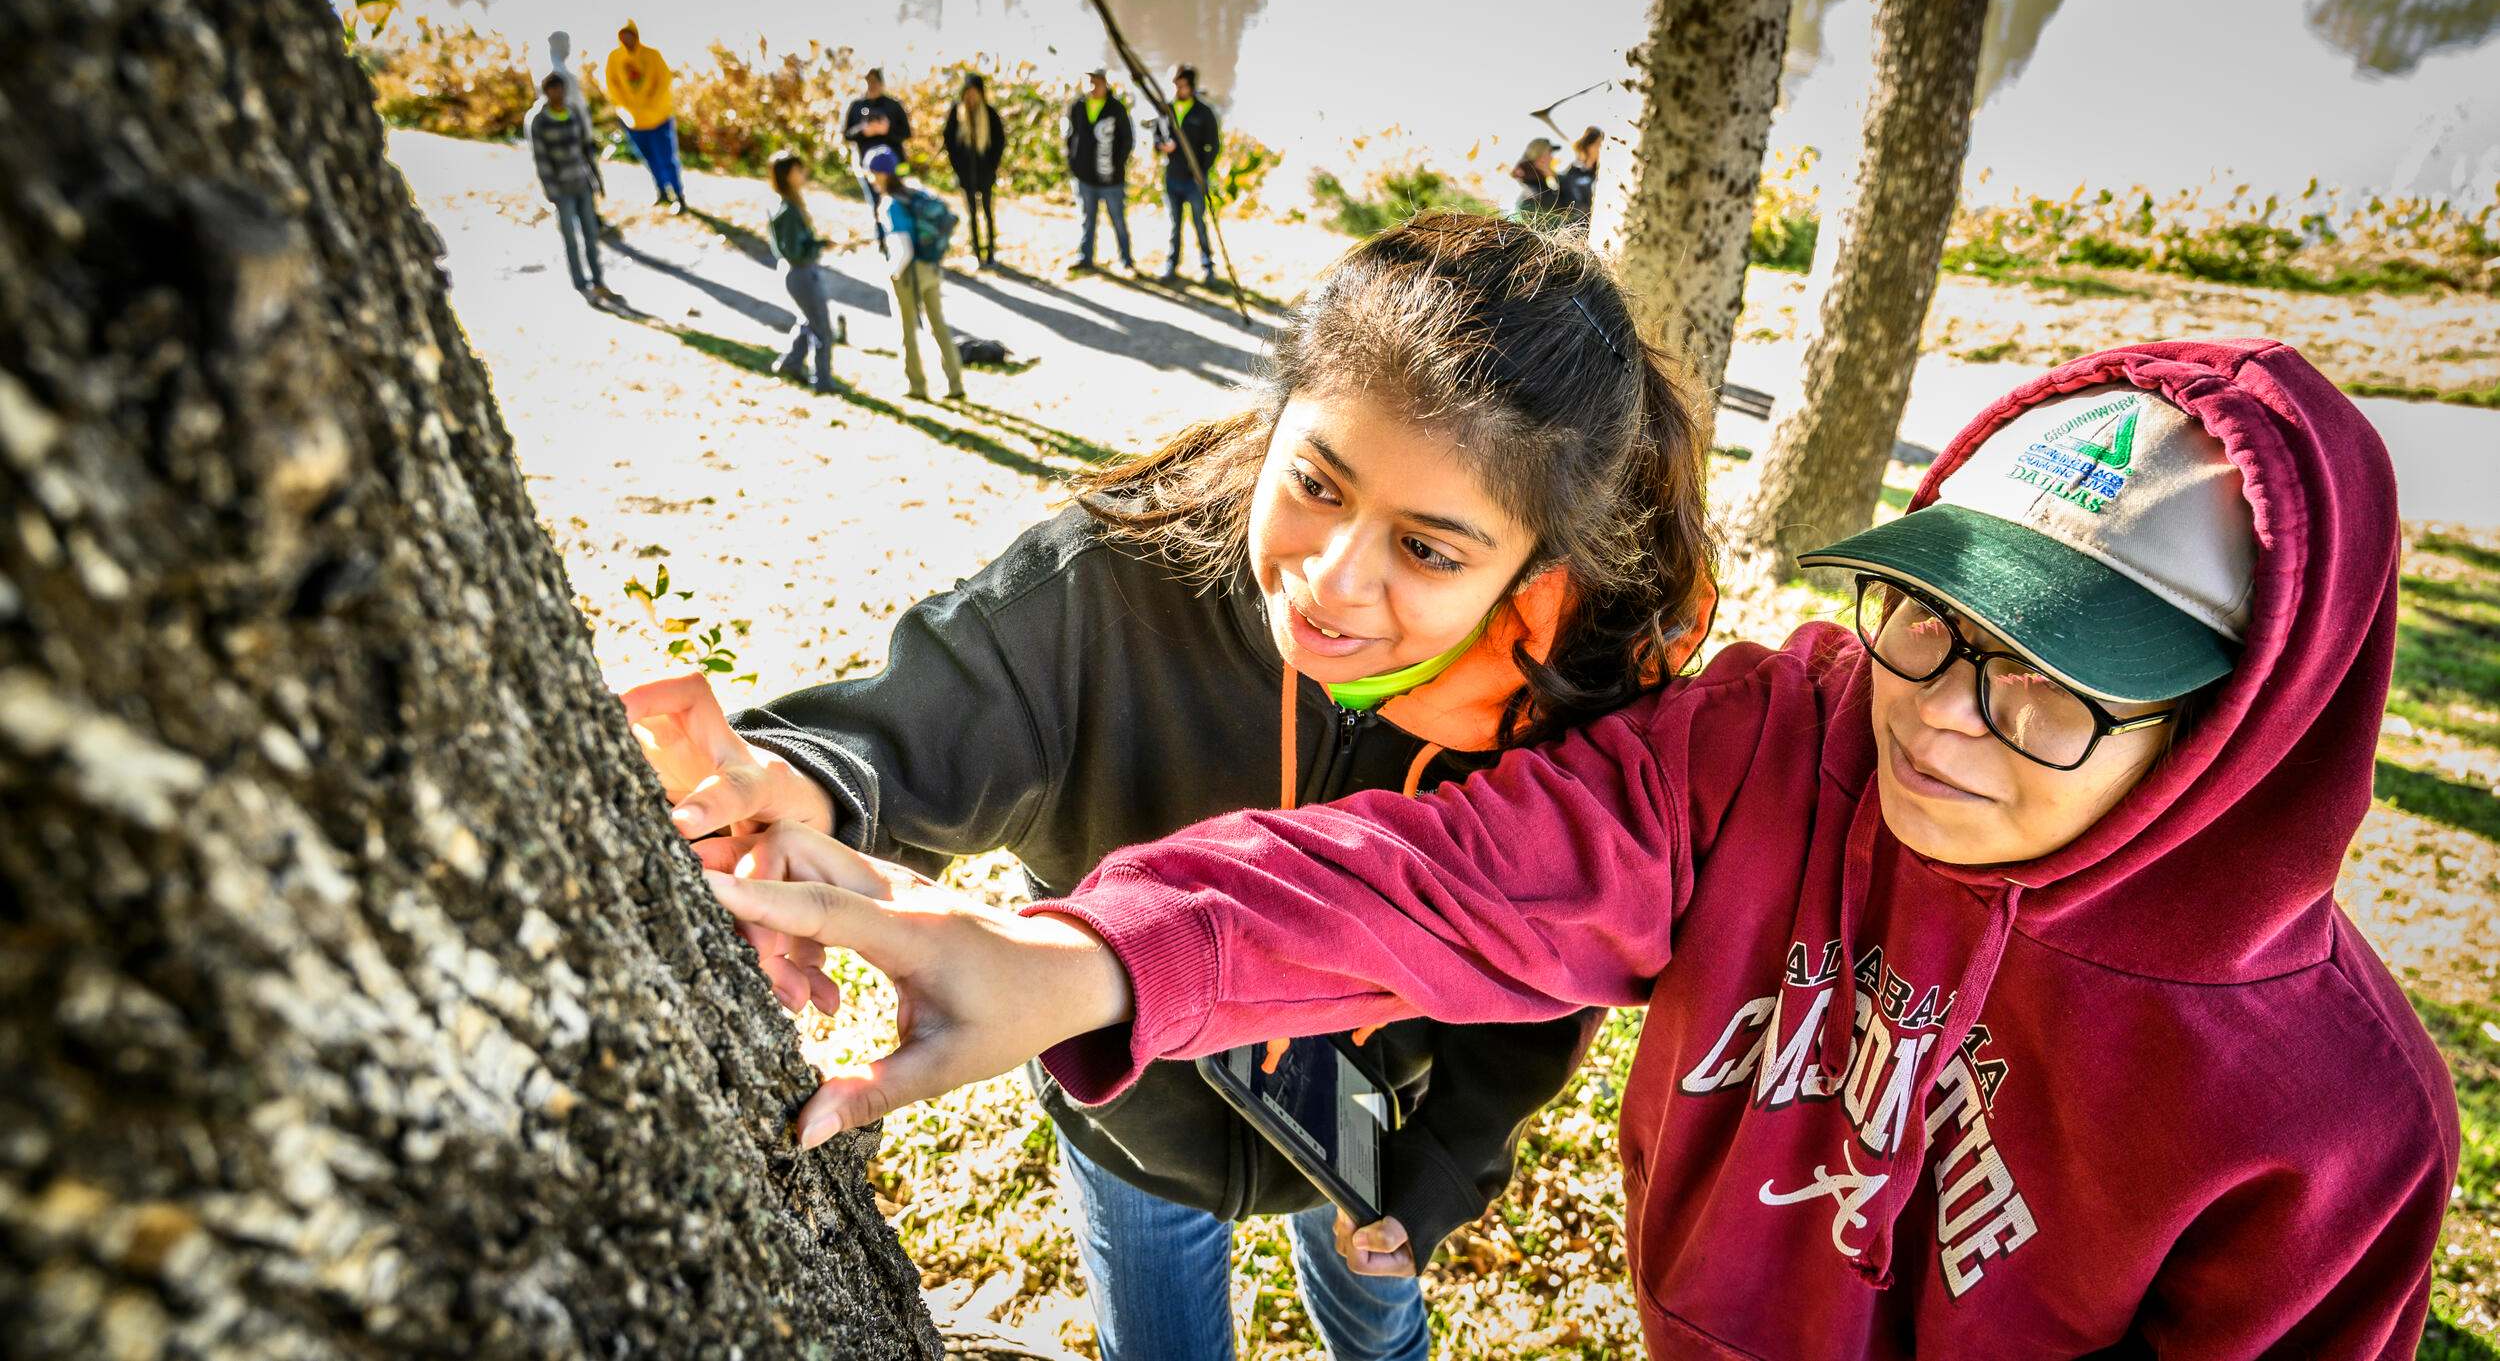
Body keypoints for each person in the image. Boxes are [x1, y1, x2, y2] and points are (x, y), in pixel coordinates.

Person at [708, 339, 2463, 1358]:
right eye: (1928, 621)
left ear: (2238, 732)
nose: (1935, 715)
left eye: (2055, 688)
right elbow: (1451, 877)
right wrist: (1088, 960)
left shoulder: (2329, 1111)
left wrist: (1435, 1167)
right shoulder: (1778, 746)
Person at [624, 214, 1718, 1361]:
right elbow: (949, 700)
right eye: (1317, 484)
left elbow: (1539, 960)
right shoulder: (1116, 580)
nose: (1333, 583)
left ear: (1535, 573)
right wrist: (807, 781)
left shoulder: (1557, 713)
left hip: (1362, 1132)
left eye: (1429, 551)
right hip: (1128, 1118)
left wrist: (1438, 1169)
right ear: (1276, 423)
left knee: (1376, 1319)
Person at [866, 148, 965, 402]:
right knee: (938, 325)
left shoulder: (891, 204)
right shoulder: (915, 192)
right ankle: (955, 383)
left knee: (906, 330)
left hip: (909, 272)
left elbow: (903, 247)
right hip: (931, 267)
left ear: (881, 174)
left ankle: (916, 386)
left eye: (872, 174)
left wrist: (893, 272)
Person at [526, 73, 612, 301]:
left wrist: (596, 181)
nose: (558, 93)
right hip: (561, 189)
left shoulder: (572, 112)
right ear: (547, 92)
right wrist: (551, 192)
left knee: (591, 234)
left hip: (582, 183)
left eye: (560, 89)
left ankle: (598, 280)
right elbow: (541, 159)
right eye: (553, 89)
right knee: (570, 239)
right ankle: (581, 284)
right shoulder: (539, 121)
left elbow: (586, 150)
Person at [768, 151, 837, 393]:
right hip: (801, 273)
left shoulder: (789, 204)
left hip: (801, 271)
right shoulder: (786, 210)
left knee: (809, 321)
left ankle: (790, 363)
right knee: (822, 329)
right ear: (787, 175)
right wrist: (819, 245)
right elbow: (794, 251)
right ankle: (823, 382)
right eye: (799, 170)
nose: (803, 174)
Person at [603, 20, 685, 212]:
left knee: (667, 158)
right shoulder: (615, 58)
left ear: (636, 34)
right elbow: (612, 86)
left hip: (659, 117)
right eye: (622, 35)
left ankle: (679, 195)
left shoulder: (652, 55)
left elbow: (664, 80)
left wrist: (649, 102)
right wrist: (628, 107)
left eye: (629, 34)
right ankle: (662, 191)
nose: (626, 39)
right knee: (649, 158)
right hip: (633, 121)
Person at [1065, 68, 1136, 275]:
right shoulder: (1078, 106)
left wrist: (1117, 163)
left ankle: (1126, 260)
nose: (1093, 87)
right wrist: (1074, 162)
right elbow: (1071, 136)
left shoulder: (1116, 108)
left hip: (1111, 178)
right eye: (1090, 82)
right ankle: (1085, 258)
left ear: (1106, 83)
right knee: (1087, 219)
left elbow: (1127, 140)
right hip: (1085, 176)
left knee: (1118, 220)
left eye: (1097, 82)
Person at [1155, 64, 1221, 283]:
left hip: (1194, 181)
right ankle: (1171, 265)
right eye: (1175, 85)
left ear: (1191, 87)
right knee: (1174, 225)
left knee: (1199, 224)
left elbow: (1214, 145)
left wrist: (1201, 171)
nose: (1178, 90)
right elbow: (1157, 137)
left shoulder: (1204, 112)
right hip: (1172, 177)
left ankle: (1208, 268)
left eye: (1182, 85)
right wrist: (1162, 147)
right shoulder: (1167, 109)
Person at [942, 72, 1007, 271]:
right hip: (965, 174)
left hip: (985, 173)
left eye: (974, 92)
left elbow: (999, 142)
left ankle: (991, 253)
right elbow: (949, 143)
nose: (970, 97)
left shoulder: (989, 113)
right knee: (971, 214)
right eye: (967, 93)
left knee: (988, 212)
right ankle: (977, 253)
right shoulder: (956, 113)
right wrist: (958, 168)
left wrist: (991, 166)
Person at [543, 30, 606, 222]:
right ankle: (588, 217)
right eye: (566, 44)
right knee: (581, 175)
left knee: (584, 174)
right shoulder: (556, 73)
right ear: (557, 45)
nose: (569, 48)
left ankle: (589, 214)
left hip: (576, 131)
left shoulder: (561, 69)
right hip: (570, 134)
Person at [844, 67, 912, 246]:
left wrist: (887, 130)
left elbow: (906, 133)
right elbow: (847, 134)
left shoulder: (893, 105)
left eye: (875, 82)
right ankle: (883, 241)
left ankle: (904, 238)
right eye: (868, 82)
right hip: (867, 167)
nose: (872, 86)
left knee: (898, 200)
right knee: (876, 204)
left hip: (895, 166)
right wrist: (864, 131)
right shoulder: (857, 106)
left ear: (882, 83)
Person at [1509, 137, 1568, 226]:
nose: (1552, 158)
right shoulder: (1534, 194)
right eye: (1549, 153)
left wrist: (1552, 175)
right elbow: (1566, 201)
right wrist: (1554, 176)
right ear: (1540, 157)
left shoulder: (1537, 184)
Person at [1557, 125, 1600, 225]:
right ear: (1587, 146)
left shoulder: (1600, 174)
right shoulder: (1569, 177)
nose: (1600, 149)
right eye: (1597, 144)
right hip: (1576, 230)